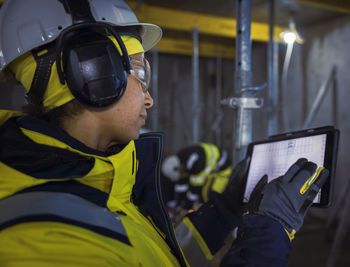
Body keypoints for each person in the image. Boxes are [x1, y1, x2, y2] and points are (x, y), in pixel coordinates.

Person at [0, 0, 329, 266]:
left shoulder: (97, 183)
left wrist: (225, 209)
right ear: (93, 71)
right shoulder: (47, 242)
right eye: (139, 73)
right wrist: (268, 235)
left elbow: (155, 257)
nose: (149, 97)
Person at [162, 143, 232, 215]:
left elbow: (195, 190)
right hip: (210, 165)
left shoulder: (196, 164)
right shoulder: (180, 159)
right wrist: (179, 204)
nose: (180, 176)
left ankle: (214, 215)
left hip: (222, 169)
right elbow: (181, 183)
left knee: (210, 196)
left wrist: (187, 208)